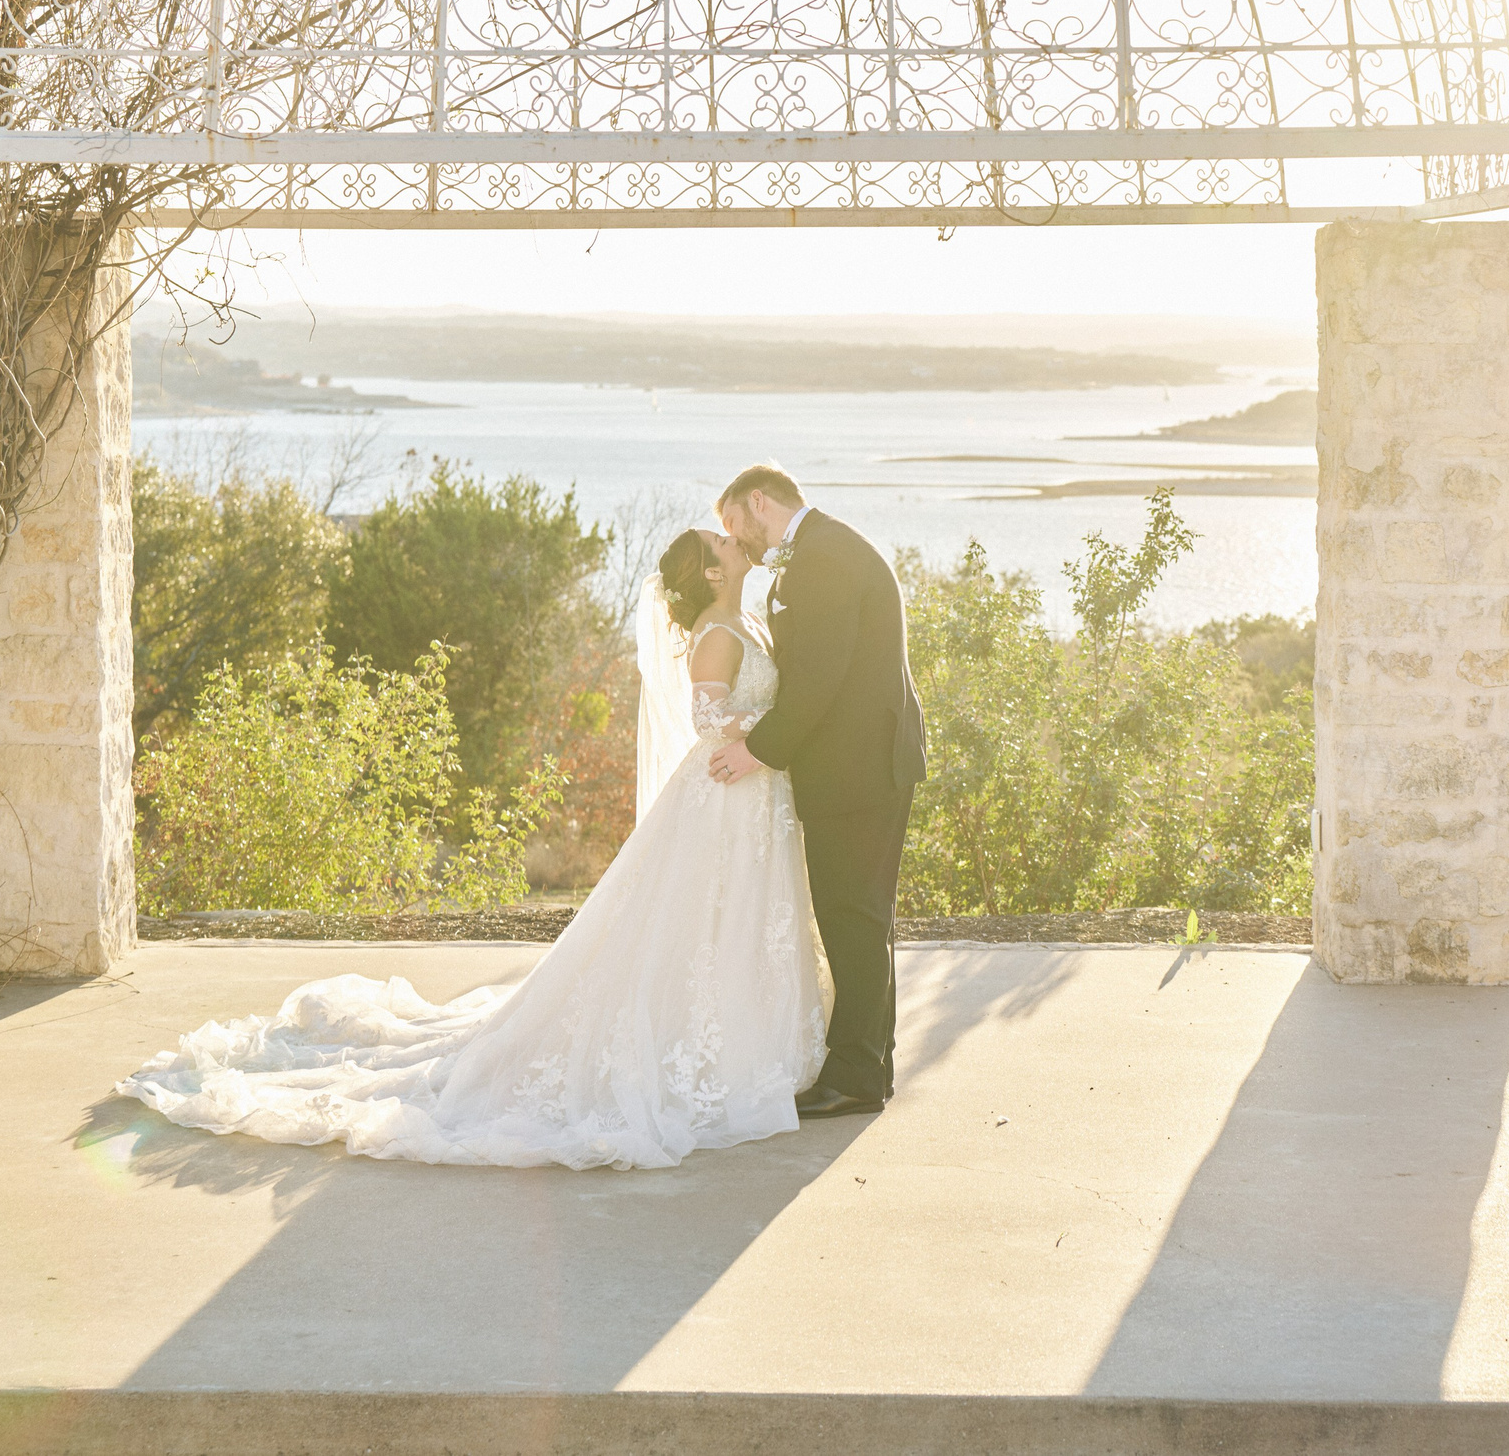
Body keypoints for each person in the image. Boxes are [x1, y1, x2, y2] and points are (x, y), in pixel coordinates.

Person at [115, 524, 825, 1170]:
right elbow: (707, 717)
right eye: (722, 544)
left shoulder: (748, 619)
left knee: (728, 926)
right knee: (695, 927)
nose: (734, 541)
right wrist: (769, 728)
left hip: (752, 798)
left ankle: (749, 1041)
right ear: (707, 573)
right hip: (724, 792)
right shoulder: (715, 631)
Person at [710, 462, 927, 1118]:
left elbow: (819, 679)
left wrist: (758, 749)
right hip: (860, 763)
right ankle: (866, 1064)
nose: (737, 541)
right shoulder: (822, 550)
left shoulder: (824, 558)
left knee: (853, 915)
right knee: (857, 915)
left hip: (859, 766)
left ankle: (858, 1074)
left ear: (758, 502)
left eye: (733, 526)